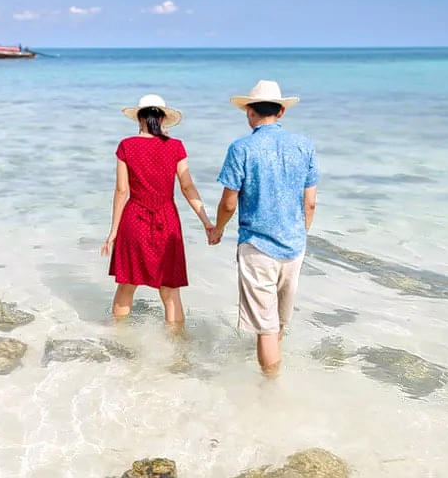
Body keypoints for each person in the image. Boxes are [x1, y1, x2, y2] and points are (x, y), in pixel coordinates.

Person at [208, 80, 319, 376]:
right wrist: (300, 233)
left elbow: (229, 203)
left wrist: (217, 229)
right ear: (281, 112)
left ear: (249, 112)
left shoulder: (241, 148)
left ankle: (269, 394)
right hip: (295, 246)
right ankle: (273, 375)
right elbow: (310, 204)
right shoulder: (305, 146)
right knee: (279, 323)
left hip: (257, 246)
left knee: (265, 329)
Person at [101, 94, 214, 325]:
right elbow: (187, 186)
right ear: (162, 119)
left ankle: (119, 342)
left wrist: (113, 232)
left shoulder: (127, 146)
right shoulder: (176, 146)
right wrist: (207, 222)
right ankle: (177, 352)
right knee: (171, 291)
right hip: (167, 220)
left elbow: (122, 191)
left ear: (139, 118)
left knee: (127, 285)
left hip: (134, 219)